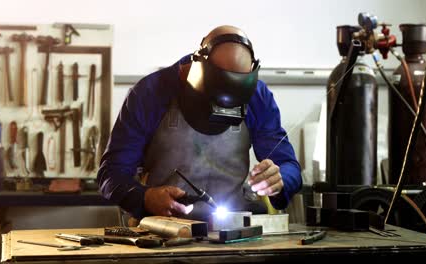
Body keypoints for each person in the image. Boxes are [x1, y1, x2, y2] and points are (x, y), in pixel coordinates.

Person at [97, 25, 302, 222]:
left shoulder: (258, 96)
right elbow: (111, 174)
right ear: (197, 69)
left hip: (233, 230)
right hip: (162, 233)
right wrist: (145, 198)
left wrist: (279, 179)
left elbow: (289, 166)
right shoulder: (150, 93)